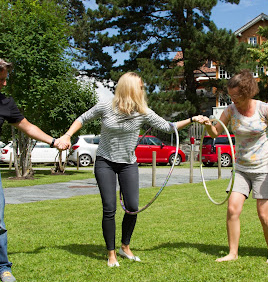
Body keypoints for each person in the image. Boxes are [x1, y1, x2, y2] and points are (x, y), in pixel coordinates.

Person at [58, 72, 203, 268]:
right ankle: (111, 254)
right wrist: (67, 135)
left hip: (128, 163)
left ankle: (124, 247)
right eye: (140, 87)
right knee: (109, 208)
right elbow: (83, 118)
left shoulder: (143, 111)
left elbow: (169, 127)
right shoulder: (106, 106)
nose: (143, 90)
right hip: (105, 162)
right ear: (130, 88)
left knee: (133, 207)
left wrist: (193, 119)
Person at [200, 69, 268, 263]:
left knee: (263, 214)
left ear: (246, 92)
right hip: (241, 169)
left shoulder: (263, 108)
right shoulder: (230, 110)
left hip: (264, 168)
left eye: (236, 95)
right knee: (233, 209)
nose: (232, 98)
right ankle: (232, 253)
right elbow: (215, 133)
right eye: (230, 95)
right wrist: (207, 124)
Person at [0, 59, 67, 282]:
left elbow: (27, 127)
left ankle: (3, 267)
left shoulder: (5, 103)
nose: (5, 82)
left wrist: (53, 141)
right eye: (1, 79)